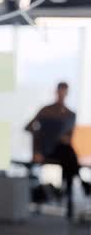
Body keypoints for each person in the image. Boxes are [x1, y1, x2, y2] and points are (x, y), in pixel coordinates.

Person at [25, 82, 90, 216]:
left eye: (64, 91)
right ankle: (82, 186)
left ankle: (70, 191)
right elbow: (29, 127)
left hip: (62, 151)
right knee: (70, 157)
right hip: (47, 150)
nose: (62, 94)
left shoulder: (70, 114)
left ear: (67, 93)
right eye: (60, 91)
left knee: (68, 154)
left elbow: (69, 137)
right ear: (56, 92)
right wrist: (37, 149)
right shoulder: (46, 110)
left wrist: (65, 138)